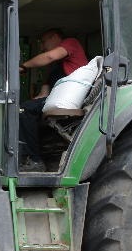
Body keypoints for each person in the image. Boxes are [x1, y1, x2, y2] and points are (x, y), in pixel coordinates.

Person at [18, 29, 88, 172]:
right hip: (57, 97)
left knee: (24, 110)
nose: (42, 47)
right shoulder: (54, 67)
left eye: (43, 42)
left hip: (72, 98)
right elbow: (44, 94)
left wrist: (23, 66)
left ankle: (35, 161)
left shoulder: (71, 43)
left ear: (54, 37)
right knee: (24, 108)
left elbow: (49, 56)